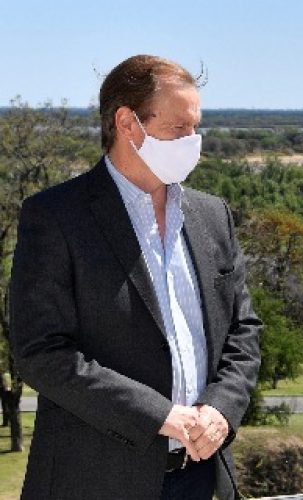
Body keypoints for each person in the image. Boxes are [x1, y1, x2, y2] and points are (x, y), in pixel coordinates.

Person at [10, 55, 261, 499]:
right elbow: (41, 352)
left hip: (203, 478)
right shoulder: (56, 217)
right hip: (97, 481)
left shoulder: (212, 215)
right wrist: (159, 415)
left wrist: (220, 409)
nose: (193, 141)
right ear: (127, 123)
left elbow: (243, 330)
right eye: (178, 129)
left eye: (195, 127)